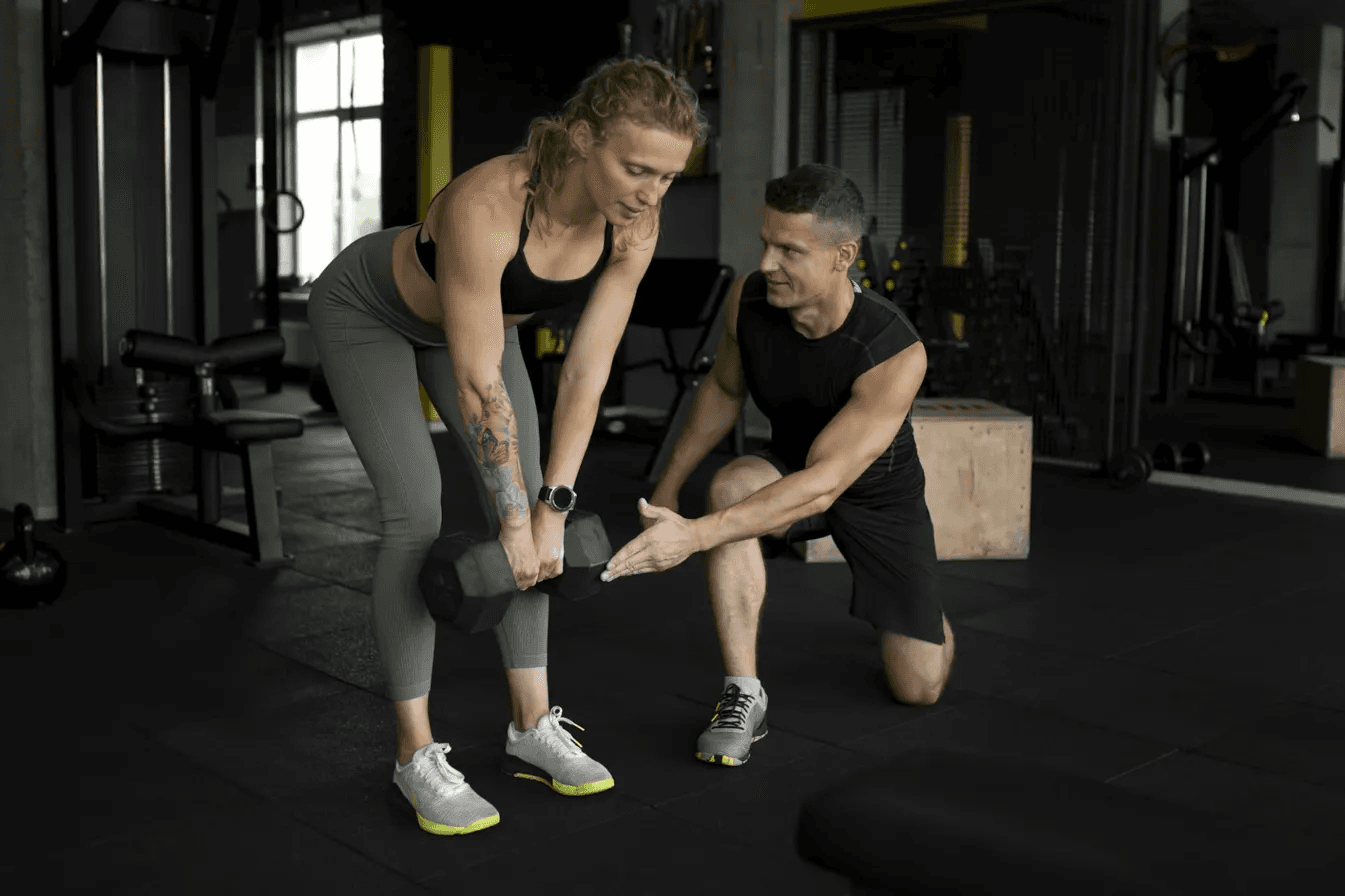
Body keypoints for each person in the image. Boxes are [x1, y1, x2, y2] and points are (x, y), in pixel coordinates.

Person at [306, 57, 705, 834]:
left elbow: (588, 372)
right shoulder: (488, 205)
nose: (649, 193)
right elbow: (478, 384)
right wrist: (516, 524)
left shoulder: (635, 224)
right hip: (370, 312)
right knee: (416, 512)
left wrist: (550, 508)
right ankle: (413, 752)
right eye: (635, 168)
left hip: (480, 333)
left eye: (667, 177)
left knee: (524, 495)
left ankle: (530, 725)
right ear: (583, 138)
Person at [601, 163, 955, 767]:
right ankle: (743, 692)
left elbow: (823, 487)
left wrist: (691, 538)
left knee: (917, 688)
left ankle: (927, 622)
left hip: (874, 493)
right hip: (790, 465)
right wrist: (668, 491)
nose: (767, 263)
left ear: (843, 255)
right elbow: (723, 390)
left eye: (790, 250)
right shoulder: (751, 300)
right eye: (767, 242)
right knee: (732, 484)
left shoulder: (892, 351)